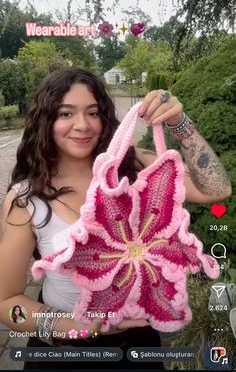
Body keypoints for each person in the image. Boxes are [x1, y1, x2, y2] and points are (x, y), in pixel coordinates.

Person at [0, 68, 231, 371]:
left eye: (93, 113)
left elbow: (217, 189)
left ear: (104, 117)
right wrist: (81, 329)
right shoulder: (26, 198)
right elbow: (9, 305)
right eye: (66, 113)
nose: (82, 125)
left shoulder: (135, 166)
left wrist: (179, 123)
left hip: (140, 346)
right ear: (46, 120)